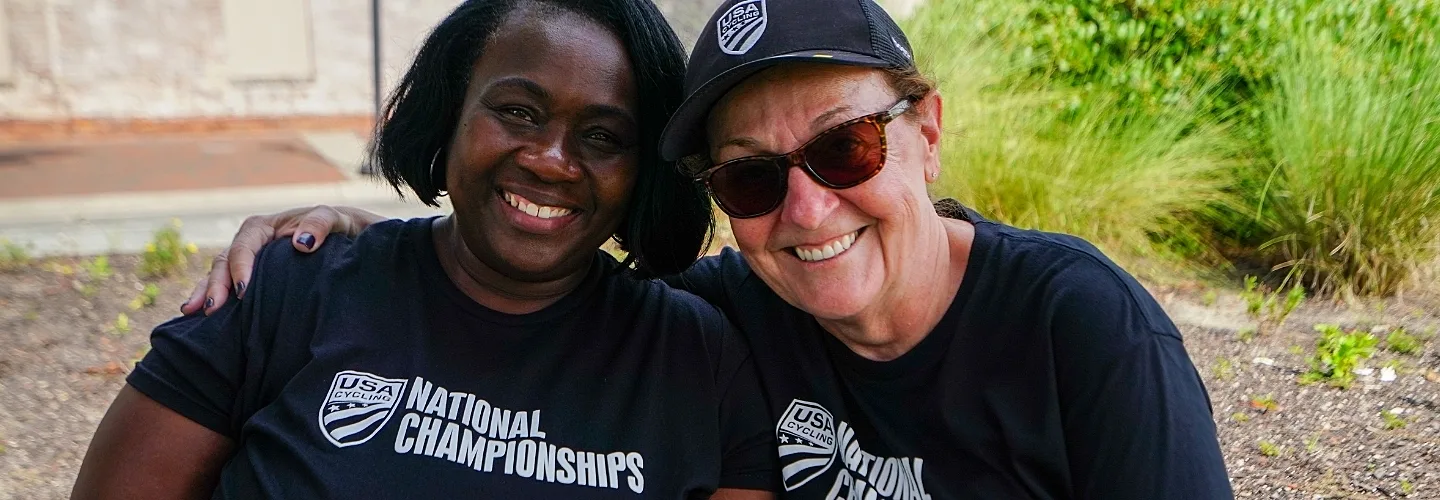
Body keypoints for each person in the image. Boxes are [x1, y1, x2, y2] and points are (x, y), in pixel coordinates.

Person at [184, 0, 1235, 497]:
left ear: (926, 129)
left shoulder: (1082, 327)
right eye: (750, 176)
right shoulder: (728, 313)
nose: (809, 209)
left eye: (845, 145)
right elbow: (532, 265)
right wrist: (358, 242)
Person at [72, 1, 779, 498]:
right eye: (517, 111)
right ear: (450, 114)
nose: (552, 161)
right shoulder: (289, 287)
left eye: (602, 136)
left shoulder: (700, 360)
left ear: (643, 171)